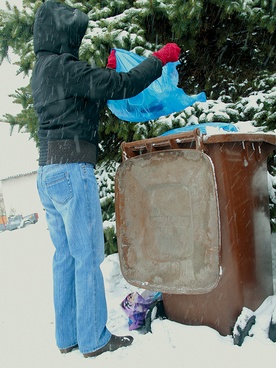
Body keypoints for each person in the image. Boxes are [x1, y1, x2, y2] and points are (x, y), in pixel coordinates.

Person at [31, 0, 180, 358]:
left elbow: (77, 101)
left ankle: (68, 336)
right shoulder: (65, 66)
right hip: (71, 170)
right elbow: (125, 85)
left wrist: (103, 72)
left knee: (65, 256)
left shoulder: (42, 69)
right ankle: (95, 339)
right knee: (88, 256)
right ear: (64, 35)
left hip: (47, 172)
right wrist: (158, 60)